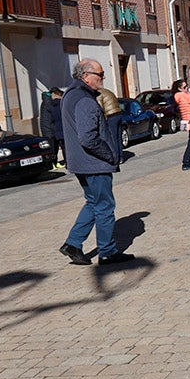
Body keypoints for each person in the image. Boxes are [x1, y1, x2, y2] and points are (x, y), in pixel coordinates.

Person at [59, 59, 133, 266]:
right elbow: (88, 137)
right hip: (93, 162)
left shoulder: (70, 94)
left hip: (82, 162)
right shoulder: (83, 98)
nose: (102, 78)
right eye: (99, 75)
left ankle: (73, 243)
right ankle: (107, 252)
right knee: (105, 206)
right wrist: (110, 155)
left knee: (93, 202)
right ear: (85, 76)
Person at [39, 87, 65, 168]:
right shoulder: (49, 103)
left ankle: (54, 163)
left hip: (49, 128)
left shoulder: (47, 102)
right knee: (53, 148)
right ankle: (52, 164)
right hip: (49, 129)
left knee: (54, 147)